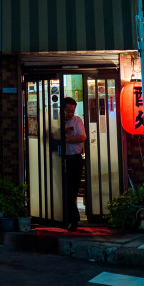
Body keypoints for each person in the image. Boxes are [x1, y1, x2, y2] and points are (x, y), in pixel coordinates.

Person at [63, 96, 86, 232]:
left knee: (74, 189)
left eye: (72, 111)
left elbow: (82, 137)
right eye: (67, 111)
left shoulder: (78, 121)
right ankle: (73, 219)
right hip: (62, 159)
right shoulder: (57, 121)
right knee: (67, 190)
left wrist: (66, 138)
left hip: (76, 159)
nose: (70, 114)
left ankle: (71, 219)